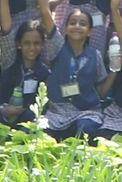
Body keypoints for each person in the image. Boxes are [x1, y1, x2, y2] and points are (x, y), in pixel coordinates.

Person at [42, 8, 111, 139]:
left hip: (85, 112)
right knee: (42, 134)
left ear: (90, 31)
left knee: (84, 129)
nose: (77, 26)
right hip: (57, 113)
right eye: (72, 23)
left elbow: (101, 90)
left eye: (82, 24)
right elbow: (46, 14)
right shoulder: (57, 47)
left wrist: (115, 69)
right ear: (66, 28)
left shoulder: (95, 55)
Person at [0, 14, 56, 129]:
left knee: (31, 117)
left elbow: (41, 106)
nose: (32, 48)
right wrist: (4, 109)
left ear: (42, 45)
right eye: (27, 43)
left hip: (27, 118)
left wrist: (18, 111)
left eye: (36, 43)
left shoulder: (44, 73)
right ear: (19, 44)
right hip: (4, 114)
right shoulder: (9, 65)